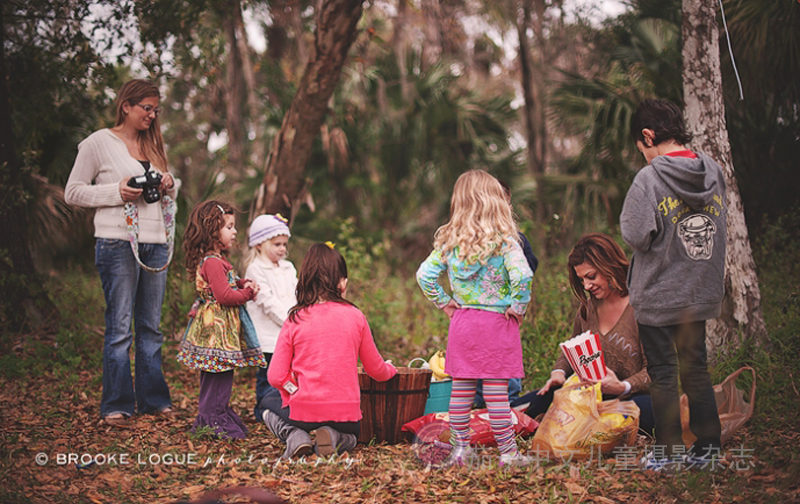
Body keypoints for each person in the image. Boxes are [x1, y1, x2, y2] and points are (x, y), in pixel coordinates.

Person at [620, 99, 726, 471]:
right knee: (696, 367)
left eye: (641, 148)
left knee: (664, 372)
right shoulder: (712, 170)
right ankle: (708, 450)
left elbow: (637, 235)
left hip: (660, 296)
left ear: (648, 136)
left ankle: (668, 454)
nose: (643, 156)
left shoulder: (649, 179)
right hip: (700, 291)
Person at [65, 79, 178, 425]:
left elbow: (167, 196)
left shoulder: (154, 144)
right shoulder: (99, 142)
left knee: (151, 327)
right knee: (119, 328)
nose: (152, 115)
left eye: (156, 109)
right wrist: (116, 192)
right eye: (146, 108)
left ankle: (154, 400)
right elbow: (73, 192)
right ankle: (116, 404)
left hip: (155, 244)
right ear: (126, 106)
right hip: (116, 242)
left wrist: (171, 183)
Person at [416, 170, 534, 467]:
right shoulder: (505, 241)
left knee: (461, 391)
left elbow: (424, 275)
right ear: (495, 201)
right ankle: (508, 454)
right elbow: (523, 274)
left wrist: (445, 303)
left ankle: (460, 450)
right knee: (497, 395)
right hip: (496, 325)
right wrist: (518, 307)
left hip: (463, 324)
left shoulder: (450, 241)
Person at [261, 243, 397, 459]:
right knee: (352, 437)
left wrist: (293, 389)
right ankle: (335, 437)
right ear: (341, 284)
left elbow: (275, 377)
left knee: (268, 404)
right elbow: (376, 370)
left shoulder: (294, 320)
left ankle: (295, 435)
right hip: (347, 415)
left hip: (304, 410)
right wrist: (391, 369)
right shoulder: (356, 316)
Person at [511, 233, 654, 435]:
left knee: (641, 411)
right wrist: (558, 373)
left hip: (632, 398)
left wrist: (621, 387)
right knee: (530, 403)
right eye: (581, 279)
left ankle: (571, 424)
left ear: (610, 266)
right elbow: (572, 349)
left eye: (591, 276)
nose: (587, 286)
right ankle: (482, 423)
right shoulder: (588, 310)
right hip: (588, 396)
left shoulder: (642, 308)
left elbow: (656, 371)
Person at [177, 200, 267, 439]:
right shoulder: (214, 262)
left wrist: (242, 283)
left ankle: (216, 413)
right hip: (216, 330)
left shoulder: (215, 260)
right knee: (218, 375)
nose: (234, 231)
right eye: (229, 227)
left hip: (218, 328)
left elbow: (227, 284)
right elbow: (224, 296)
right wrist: (247, 293)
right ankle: (213, 419)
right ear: (212, 231)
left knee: (219, 375)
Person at [474, 180, 540, 407]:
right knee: (493, 369)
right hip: (495, 317)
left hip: (488, 316)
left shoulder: (514, 241)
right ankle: (496, 410)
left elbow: (526, 272)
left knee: (490, 369)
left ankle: (493, 409)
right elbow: (526, 272)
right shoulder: (509, 241)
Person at [243, 214, 298, 421]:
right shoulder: (256, 269)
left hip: (289, 332)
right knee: (267, 375)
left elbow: (297, 293)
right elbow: (267, 302)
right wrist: (290, 322)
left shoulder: (288, 267)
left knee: (287, 373)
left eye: (284, 244)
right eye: (277, 244)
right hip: (268, 336)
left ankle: (283, 407)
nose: (282, 249)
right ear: (259, 244)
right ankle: (263, 411)